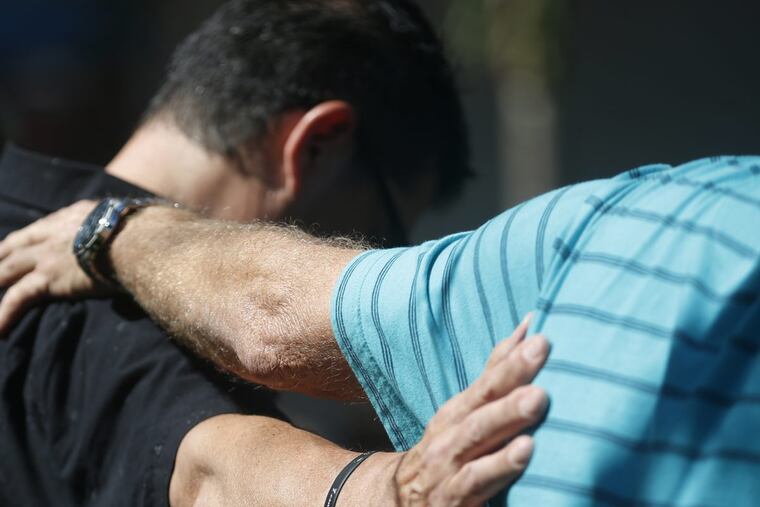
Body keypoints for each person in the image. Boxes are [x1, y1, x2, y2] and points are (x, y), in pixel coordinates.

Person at [0, 1, 551, 506]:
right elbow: (212, 473)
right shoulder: (130, 318)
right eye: (383, 235)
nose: (367, 256)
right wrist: (385, 490)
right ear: (316, 144)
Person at [3, 155, 758, 505]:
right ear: (316, 144)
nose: (383, 242)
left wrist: (115, 233)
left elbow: (272, 318)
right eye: (393, 225)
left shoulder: (672, 220)